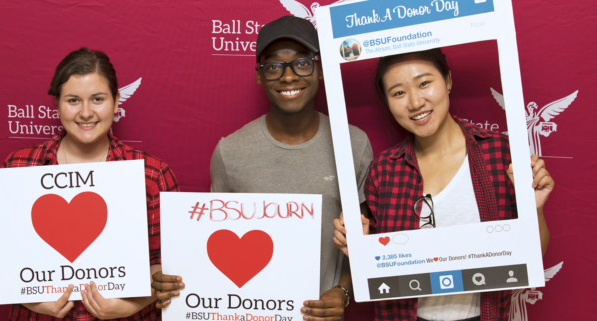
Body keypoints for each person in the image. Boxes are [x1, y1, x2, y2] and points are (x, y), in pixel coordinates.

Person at [151, 16, 374, 321]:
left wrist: (343, 292)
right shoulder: (229, 152)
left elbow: (363, 241)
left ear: (320, 69)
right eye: (274, 66)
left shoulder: (354, 144)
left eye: (302, 63)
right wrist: (175, 283)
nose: (289, 76)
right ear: (260, 76)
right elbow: (213, 244)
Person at [333, 48, 553, 321]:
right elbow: (380, 274)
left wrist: (535, 210)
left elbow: (533, 254)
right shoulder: (384, 171)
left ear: (447, 81)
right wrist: (359, 247)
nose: (415, 102)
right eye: (398, 93)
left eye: (424, 83)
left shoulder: (502, 154)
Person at [0, 48, 179, 320]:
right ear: (57, 103)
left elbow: (167, 266)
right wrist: (31, 299)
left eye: (97, 99)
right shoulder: (18, 168)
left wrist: (131, 306)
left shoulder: (152, 174)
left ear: (117, 102)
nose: (85, 112)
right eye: (73, 100)